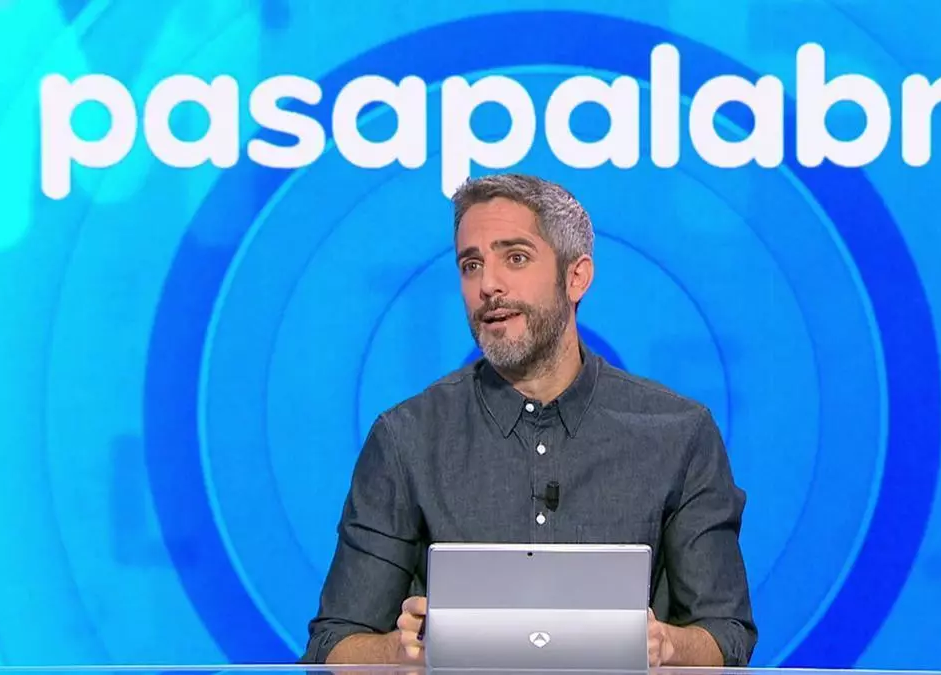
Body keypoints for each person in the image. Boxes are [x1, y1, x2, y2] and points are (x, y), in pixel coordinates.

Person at [301, 173, 757, 667]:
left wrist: (667, 645)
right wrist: (398, 652)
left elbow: (726, 635)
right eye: (471, 265)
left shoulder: (679, 433)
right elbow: (332, 645)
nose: (488, 285)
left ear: (576, 277)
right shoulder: (407, 438)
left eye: (515, 258)